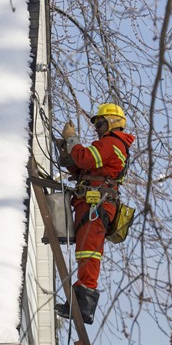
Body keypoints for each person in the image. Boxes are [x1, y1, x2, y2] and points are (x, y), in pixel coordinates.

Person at [55, 103, 135, 324]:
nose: (97, 128)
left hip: (96, 206)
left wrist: (72, 140)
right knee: (84, 253)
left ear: (111, 122)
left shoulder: (112, 143)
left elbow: (85, 159)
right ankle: (78, 302)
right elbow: (82, 168)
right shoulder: (107, 146)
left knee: (88, 253)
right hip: (90, 204)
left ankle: (84, 306)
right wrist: (67, 151)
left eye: (100, 123)